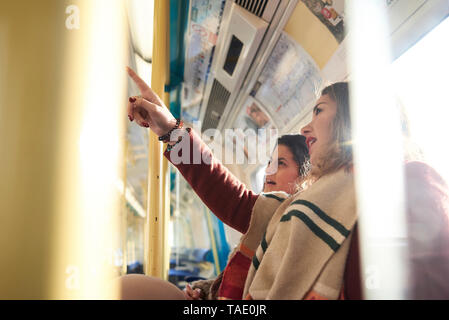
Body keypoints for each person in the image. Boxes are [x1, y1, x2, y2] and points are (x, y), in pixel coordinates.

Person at [123, 68, 449, 299]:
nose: (306, 129)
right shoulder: (301, 205)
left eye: (319, 111)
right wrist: (169, 130)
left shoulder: (410, 183)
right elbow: (234, 199)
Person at [184, 134, 310, 300]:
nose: (268, 171)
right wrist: (205, 291)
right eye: (269, 163)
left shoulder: (292, 218)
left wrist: (174, 135)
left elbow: (230, 196)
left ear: (305, 176)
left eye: (281, 163)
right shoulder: (261, 228)